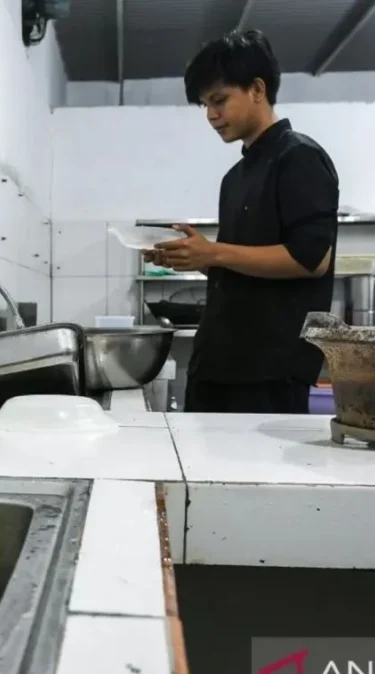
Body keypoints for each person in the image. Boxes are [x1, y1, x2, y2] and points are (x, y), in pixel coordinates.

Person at [144, 29, 339, 415]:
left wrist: (214, 253)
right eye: (205, 105)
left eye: (219, 100)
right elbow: (239, 265)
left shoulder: (299, 157)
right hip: (217, 365)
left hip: (268, 373)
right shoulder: (235, 178)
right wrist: (195, 257)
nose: (211, 115)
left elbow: (311, 259)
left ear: (257, 89)